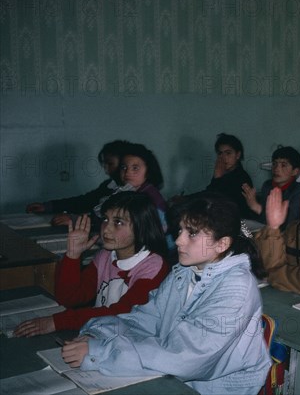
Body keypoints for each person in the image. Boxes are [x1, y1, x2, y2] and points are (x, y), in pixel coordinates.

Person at [60, 193, 272, 395]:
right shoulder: (184, 272)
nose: (179, 240)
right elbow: (145, 319)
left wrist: (100, 353)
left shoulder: (237, 289)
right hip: (173, 374)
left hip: (210, 388)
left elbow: (186, 358)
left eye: (192, 234)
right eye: (180, 231)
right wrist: (98, 334)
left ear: (222, 244)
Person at [14, 191, 169, 337]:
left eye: (118, 222)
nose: (106, 229)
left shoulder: (153, 267)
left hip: (132, 339)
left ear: (141, 226)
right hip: (103, 333)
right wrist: (72, 256)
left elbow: (122, 313)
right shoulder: (105, 256)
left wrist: (57, 322)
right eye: (106, 219)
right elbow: (69, 299)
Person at [25, 140, 130, 226]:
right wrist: (48, 206)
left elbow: (115, 219)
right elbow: (84, 201)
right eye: (104, 164)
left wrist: (75, 220)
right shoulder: (110, 185)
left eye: (110, 164)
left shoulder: (134, 190)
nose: (106, 169)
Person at [242, 145, 300, 227]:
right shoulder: (267, 185)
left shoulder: (298, 192)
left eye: (283, 165)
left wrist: (256, 207)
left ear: (295, 171)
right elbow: (262, 222)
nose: (276, 169)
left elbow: (288, 226)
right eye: (274, 164)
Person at [205, 133, 254, 219]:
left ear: (238, 155)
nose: (223, 158)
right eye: (220, 153)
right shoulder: (224, 173)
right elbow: (208, 193)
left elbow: (215, 199)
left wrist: (217, 178)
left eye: (228, 153)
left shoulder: (241, 178)